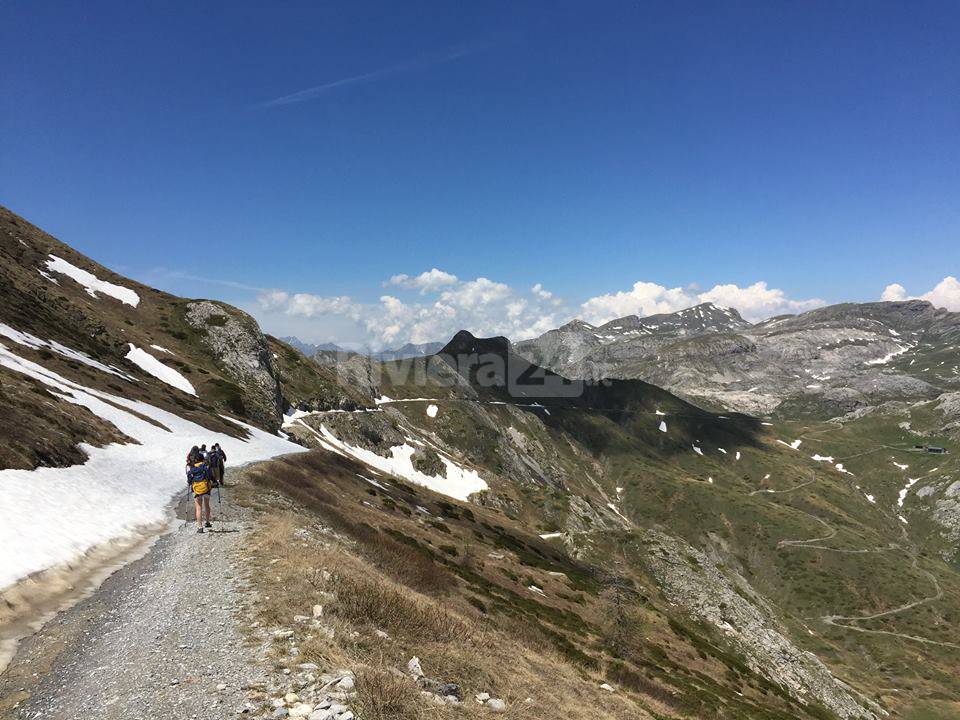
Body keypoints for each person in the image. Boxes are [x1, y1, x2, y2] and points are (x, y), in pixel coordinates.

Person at [186, 449, 213, 533]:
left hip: (197, 490)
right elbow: (210, 476)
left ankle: (200, 527)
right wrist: (214, 481)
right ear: (202, 459)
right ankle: (207, 522)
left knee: (198, 508)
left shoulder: (192, 469)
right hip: (206, 488)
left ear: (195, 460)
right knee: (207, 505)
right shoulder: (205, 467)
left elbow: (189, 481)